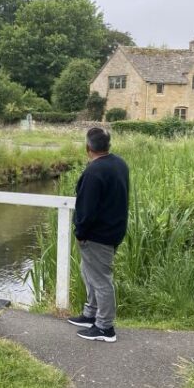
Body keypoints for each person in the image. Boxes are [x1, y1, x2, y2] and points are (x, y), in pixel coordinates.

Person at [67, 127, 129, 343]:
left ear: (88, 147)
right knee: (89, 274)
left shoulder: (94, 172)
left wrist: (80, 233)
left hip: (97, 235)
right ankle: (91, 314)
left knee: (101, 280)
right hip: (113, 230)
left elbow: (87, 208)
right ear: (108, 145)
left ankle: (105, 327)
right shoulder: (119, 164)